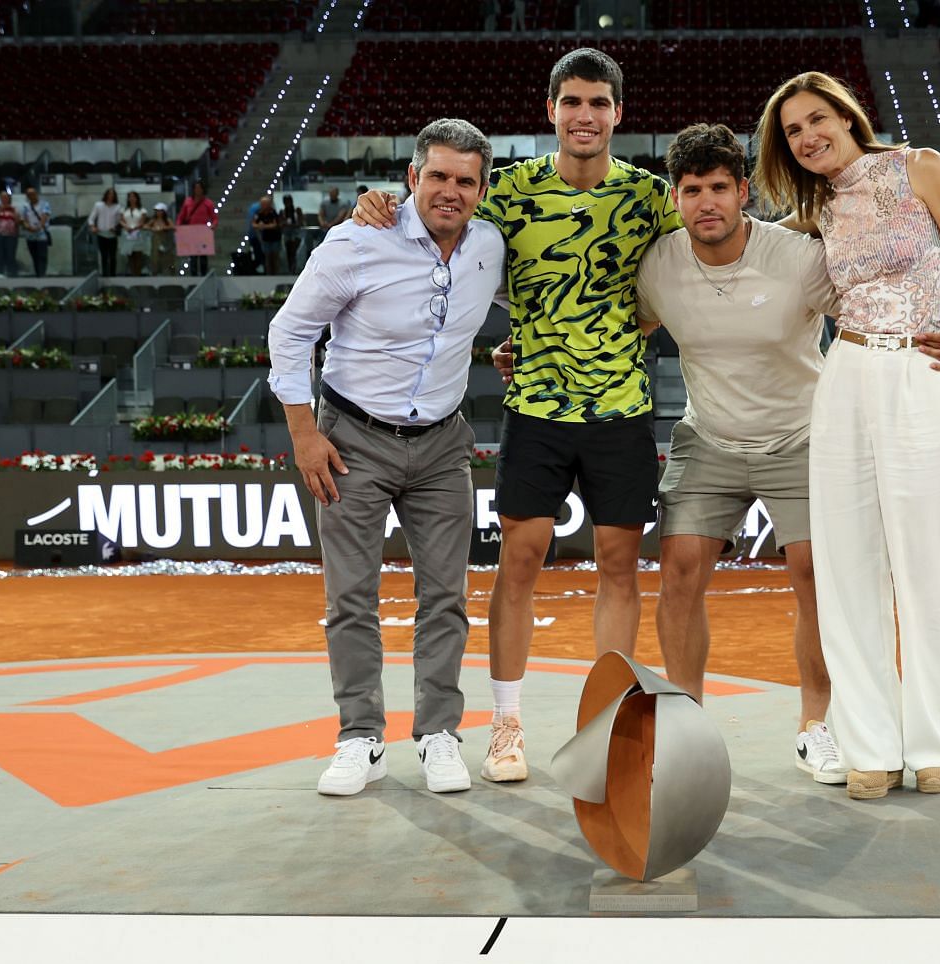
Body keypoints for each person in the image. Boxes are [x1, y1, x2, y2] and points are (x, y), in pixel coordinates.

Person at [351, 48, 683, 785]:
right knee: (520, 562)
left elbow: (699, 260)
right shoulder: (505, 192)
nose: (585, 116)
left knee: (621, 566)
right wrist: (377, 201)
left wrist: (647, 321)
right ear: (551, 110)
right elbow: (434, 223)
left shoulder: (650, 197)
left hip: (622, 410)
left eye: (599, 103)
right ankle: (506, 725)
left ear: (618, 114)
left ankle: (606, 725)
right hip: (535, 408)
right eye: (572, 102)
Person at [631, 123, 940, 787]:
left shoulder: (794, 257)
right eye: (693, 190)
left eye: (719, 188)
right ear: (675, 198)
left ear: (743, 192)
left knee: (817, 575)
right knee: (679, 568)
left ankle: (818, 726)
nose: (707, 203)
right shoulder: (658, 265)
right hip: (711, 438)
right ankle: (686, 723)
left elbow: (870, 311)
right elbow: (622, 329)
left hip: (804, 435)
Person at [755, 69, 940, 800]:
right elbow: (738, 235)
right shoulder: (816, 206)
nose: (808, 137)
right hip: (845, 377)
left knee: (927, 567)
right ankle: (870, 746)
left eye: (817, 118)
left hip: (920, 374)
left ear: (848, 115)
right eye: (793, 131)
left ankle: (931, 744)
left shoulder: (919, 166)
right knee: (849, 569)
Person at [265, 118, 506, 798]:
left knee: (446, 599)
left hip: (441, 446)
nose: (450, 192)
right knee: (350, 598)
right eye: (438, 177)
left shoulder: (491, 247)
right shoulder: (356, 240)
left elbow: (535, 303)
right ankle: (359, 737)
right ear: (412, 178)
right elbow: (290, 333)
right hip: (351, 445)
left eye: (465, 181)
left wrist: (517, 349)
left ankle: (437, 733)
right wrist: (303, 433)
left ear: (482, 190)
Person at [177, 178, 217, 275]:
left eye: (199, 188)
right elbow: (181, 216)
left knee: (203, 256)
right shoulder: (187, 202)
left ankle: (204, 275)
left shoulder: (209, 203)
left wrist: (213, 226)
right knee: (193, 256)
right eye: (196, 188)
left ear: (203, 189)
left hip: (203, 232)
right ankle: (194, 277)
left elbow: (215, 218)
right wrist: (178, 227)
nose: (198, 190)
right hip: (191, 232)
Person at [18, 186, 52, 276]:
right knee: (34, 256)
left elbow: (44, 217)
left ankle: (42, 274)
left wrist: (38, 227)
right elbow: (22, 219)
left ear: (36, 194)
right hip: (30, 235)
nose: (31, 196)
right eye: (29, 194)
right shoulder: (25, 206)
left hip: (41, 235)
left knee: (42, 256)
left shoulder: (45, 204)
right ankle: (37, 274)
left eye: (33, 194)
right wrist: (28, 227)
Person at [88, 187, 122, 277]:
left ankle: (113, 275)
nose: (110, 196)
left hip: (112, 234)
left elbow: (120, 221)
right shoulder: (98, 205)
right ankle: (104, 275)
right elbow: (91, 218)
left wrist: (116, 228)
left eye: (112, 195)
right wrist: (93, 227)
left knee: (113, 257)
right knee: (104, 256)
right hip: (101, 234)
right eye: (109, 194)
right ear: (106, 195)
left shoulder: (118, 207)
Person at [0, 191, 21, 276]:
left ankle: (12, 275)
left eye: (6, 197)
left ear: (9, 198)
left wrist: (13, 213)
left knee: (11, 256)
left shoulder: (15, 208)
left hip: (11, 236)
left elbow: (18, 222)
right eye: (2, 197)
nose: (4, 199)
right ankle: (0, 274)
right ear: (0, 198)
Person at [118, 190, 148, 276]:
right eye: (130, 197)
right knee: (130, 257)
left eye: (133, 197)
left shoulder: (142, 210)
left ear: (137, 198)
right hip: (127, 234)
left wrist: (135, 228)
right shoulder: (123, 209)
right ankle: (133, 274)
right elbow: (121, 220)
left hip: (138, 234)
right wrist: (126, 227)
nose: (132, 199)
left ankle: (138, 274)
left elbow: (142, 221)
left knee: (138, 256)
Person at [253, 195, 283, 276]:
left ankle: (276, 274)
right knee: (267, 257)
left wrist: (263, 226)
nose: (262, 206)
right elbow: (254, 224)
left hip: (275, 238)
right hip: (265, 239)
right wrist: (261, 226)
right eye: (261, 204)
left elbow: (275, 225)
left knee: (275, 257)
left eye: (264, 204)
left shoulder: (273, 212)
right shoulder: (259, 213)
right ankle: (269, 274)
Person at [147, 202, 177, 275]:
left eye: (160, 211)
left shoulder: (167, 220)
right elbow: (146, 226)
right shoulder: (153, 220)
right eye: (157, 211)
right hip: (156, 241)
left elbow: (173, 227)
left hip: (166, 240)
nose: (158, 212)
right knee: (155, 258)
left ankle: (171, 274)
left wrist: (164, 228)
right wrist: (152, 228)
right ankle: (155, 273)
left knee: (168, 258)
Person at [281, 194, 304, 274]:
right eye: (285, 201)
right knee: (288, 251)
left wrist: (290, 224)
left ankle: (295, 268)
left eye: (288, 201)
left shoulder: (297, 210)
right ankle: (290, 269)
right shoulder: (283, 212)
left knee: (294, 251)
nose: (287, 203)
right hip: (287, 233)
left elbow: (300, 222)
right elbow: (282, 223)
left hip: (296, 233)